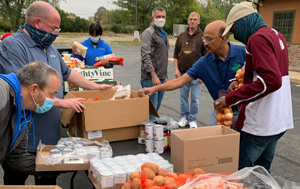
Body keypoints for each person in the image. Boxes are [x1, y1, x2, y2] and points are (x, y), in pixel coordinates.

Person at [0, 1, 111, 185]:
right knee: (15, 180)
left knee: (47, 180)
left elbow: (67, 73)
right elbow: (22, 90)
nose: (56, 33)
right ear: (38, 23)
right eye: (54, 28)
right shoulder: (12, 46)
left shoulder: (50, 48)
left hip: (49, 135)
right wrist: (62, 103)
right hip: (23, 138)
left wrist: (95, 86)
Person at [215, 1, 294, 172]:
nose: (236, 37)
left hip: (261, 123)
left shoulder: (257, 39)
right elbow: (268, 71)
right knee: (262, 172)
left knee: (242, 171)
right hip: (278, 120)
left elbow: (270, 80)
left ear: (243, 22)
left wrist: (229, 99)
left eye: (234, 30)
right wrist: (242, 82)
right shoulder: (275, 35)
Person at [138, 20, 245, 127]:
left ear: (223, 38)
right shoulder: (204, 63)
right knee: (215, 142)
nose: (205, 43)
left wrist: (239, 81)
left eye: (209, 39)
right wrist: (154, 89)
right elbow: (179, 81)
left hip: (245, 111)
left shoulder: (244, 53)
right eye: (204, 38)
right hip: (220, 111)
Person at [0, 61, 70, 179]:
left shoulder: (23, 113)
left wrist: (64, 165)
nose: (53, 100)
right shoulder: (2, 96)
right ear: (34, 89)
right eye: (52, 94)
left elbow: (17, 159)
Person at [173, 12, 206, 128]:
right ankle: (184, 117)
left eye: (195, 19)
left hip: (197, 74)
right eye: (191, 19)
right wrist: (176, 69)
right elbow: (176, 54)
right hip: (183, 73)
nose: (192, 21)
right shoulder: (181, 36)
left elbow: (206, 57)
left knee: (195, 99)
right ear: (187, 21)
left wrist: (203, 74)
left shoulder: (202, 36)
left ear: (198, 21)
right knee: (183, 97)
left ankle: (192, 119)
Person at [140, 7, 169, 120]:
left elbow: (163, 55)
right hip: (151, 78)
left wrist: (164, 76)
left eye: (163, 17)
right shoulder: (148, 33)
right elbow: (145, 56)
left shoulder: (164, 33)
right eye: (158, 17)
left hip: (161, 78)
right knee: (151, 112)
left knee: (156, 109)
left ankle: (151, 133)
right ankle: (148, 135)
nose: (161, 19)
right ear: (153, 18)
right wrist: (154, 75)